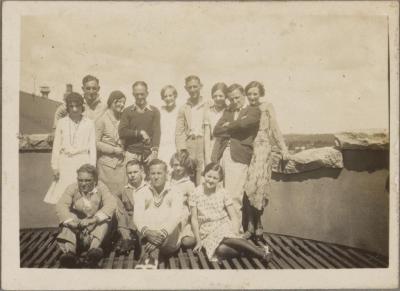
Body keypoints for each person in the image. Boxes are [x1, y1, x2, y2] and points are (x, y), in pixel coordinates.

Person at [190, 163, 272, 262]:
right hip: (207, 231)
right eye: (209, 176)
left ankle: (261, 254)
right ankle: (258, 250)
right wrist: (198, 241)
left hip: (223, 225)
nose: (211, 180)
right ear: (204, 174)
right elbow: (194, 218)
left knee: (226, 237)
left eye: (215, 178)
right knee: (221, 250)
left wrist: (235, 232)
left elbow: (233, 216)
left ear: (220, 180)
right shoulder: (196, 193)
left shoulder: (223, 192)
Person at [211, 84, 261, 233]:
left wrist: (230, 125)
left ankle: (235, 231)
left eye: (237, 98)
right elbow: (216, 130)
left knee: (234, 196)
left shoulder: (253, 110)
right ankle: (224, 229)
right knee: (222, 194)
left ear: (244, 95)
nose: (235, 101)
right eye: (231, 99)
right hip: (223, 155)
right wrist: (235, 127)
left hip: (239, 156)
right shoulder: (229, 110)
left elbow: (246, 123)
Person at [243, 81, 289, 241]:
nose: (252, 97)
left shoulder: (267, 107)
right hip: (247, 149)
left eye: (255, 93)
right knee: (248, 187)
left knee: (259, 186)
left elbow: (275, 128)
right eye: (249, 94)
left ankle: (258, 223)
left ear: (260, 93)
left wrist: (283, 148)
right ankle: (250, 224)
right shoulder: (246, 109)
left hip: (262, 149)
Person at [55, 164, 117, 268]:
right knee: (68, 218)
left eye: (87, 180)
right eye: (80, 180)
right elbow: (61, 205)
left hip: (96, 234)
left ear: (95, 180)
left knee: (105, 221)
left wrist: (94, 220)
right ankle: (70, 253)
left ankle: (93, 252)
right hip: (78, 232)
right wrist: (71, 222)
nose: (83, 184)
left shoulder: (101, 187)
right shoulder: (72, 188)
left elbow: (111, 204)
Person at [44, 93, 97, 204]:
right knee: (63, 197)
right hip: (65, 163)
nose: (74, 109)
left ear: (81, 106)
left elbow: (92, 147)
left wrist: (92, 167)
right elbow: (56, 146)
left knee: (81, 195)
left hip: (82, 162)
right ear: (67, 107)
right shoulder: (61, 123)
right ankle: (65, 220)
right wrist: (55, 166)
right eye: (71, 106)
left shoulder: (89, 123)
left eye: (77, 106)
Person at [133, 159, 184, 269]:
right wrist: (147, 232)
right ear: (148, 175)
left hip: (169, 241)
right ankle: (152, 260)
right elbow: (137, 216)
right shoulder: (142, 192)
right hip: (148, 237)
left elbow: (176, 217)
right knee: (145, 216)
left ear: (166, 174)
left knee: (166, 215)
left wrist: (159, 236)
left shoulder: (175, 191)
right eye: (153, 173)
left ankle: (147, 259)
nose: (156, 177)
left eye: (159, 173)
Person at [119, 81, 160, 166]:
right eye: (136, 94)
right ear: (133, 94)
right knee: (131, 178)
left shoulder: (154, 111)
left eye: (142, 94)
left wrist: (155, 152)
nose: (139, 97)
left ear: (147, 93)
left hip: (148, 154)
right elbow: (122, 131)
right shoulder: (127, 111)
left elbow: (157, 132)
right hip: (131, 154)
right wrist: (140, 133)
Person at [175, 75, 208, 185]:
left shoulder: (208, 104)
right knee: (189, 174)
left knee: (203, 172)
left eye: (195, 86)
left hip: (204, 142)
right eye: (190, 87)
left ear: (200, 86)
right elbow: (179, 131)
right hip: (189, 143)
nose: (193, 90)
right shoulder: (183, 108)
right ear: (186, 88)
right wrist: (182, 148)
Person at [95, 90, 127, 195]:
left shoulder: (123, 118)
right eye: (119, 102)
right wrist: (113, 150)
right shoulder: (102, 120)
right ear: (112, 102)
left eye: (123, 102)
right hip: (106, 165)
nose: (122, 105)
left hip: (122, 164)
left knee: (122, 195)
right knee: (109, 196)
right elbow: (95, 143)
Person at [113, 159, 147, 255]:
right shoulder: (125, 189)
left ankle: (132, 242)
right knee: (122, 215)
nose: (132, 175)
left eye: (135, 172)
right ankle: (127, 239)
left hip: (144, 221)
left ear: (142, 171)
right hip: (129, 221)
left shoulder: (148, 187)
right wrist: (118, 207)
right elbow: (113, 196)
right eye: (129, 173)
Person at [169, 151, 197, 249]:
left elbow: (192, 205)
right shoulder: (167, 179)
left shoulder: (188, 184)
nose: (178, 168)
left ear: (186, 166)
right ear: (172, 164)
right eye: (176, 165)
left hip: (182, 215)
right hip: (168, 211)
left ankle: (182, 236)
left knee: (187, 242)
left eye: (181, 165)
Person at [204, 82, 228, 164]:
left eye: (221, 96)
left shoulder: (229, 111)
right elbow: (207, 137)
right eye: (215, 96)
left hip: (226, 146)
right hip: (213, 146)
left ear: (226, 96)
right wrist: (207, 158)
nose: (218, 98)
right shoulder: (208, 112)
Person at [158, 85, 179, 169]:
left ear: (175, 96)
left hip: (175, 145)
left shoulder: (180, 110)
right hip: (163, 145)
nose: (168, 98)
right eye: (165, 96)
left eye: (170, 95)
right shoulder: (160, 111)